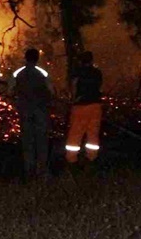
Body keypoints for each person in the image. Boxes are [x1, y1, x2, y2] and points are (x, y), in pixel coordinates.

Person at [8, 48, 55, 178]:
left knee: (27, 140)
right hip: (40, 111)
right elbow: (51, 90)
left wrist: (16, 99)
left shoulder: (18, 73)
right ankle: (43, 169)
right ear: (37, 58)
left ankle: (29, 169)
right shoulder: (42, 73)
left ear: (25, 58)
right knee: (41, 139)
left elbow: (10, 90)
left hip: (25, 111)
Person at [65, 51, 104, 164]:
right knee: (93, 132)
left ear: (80, 61)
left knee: (76, 132)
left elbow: (74, 86)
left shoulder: (77, 72)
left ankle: (71, 159)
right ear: (91, 60)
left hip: (80, 106)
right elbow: (100, 87)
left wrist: (73, 98)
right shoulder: (97, 72)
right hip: (96, 106)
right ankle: (92, 157)